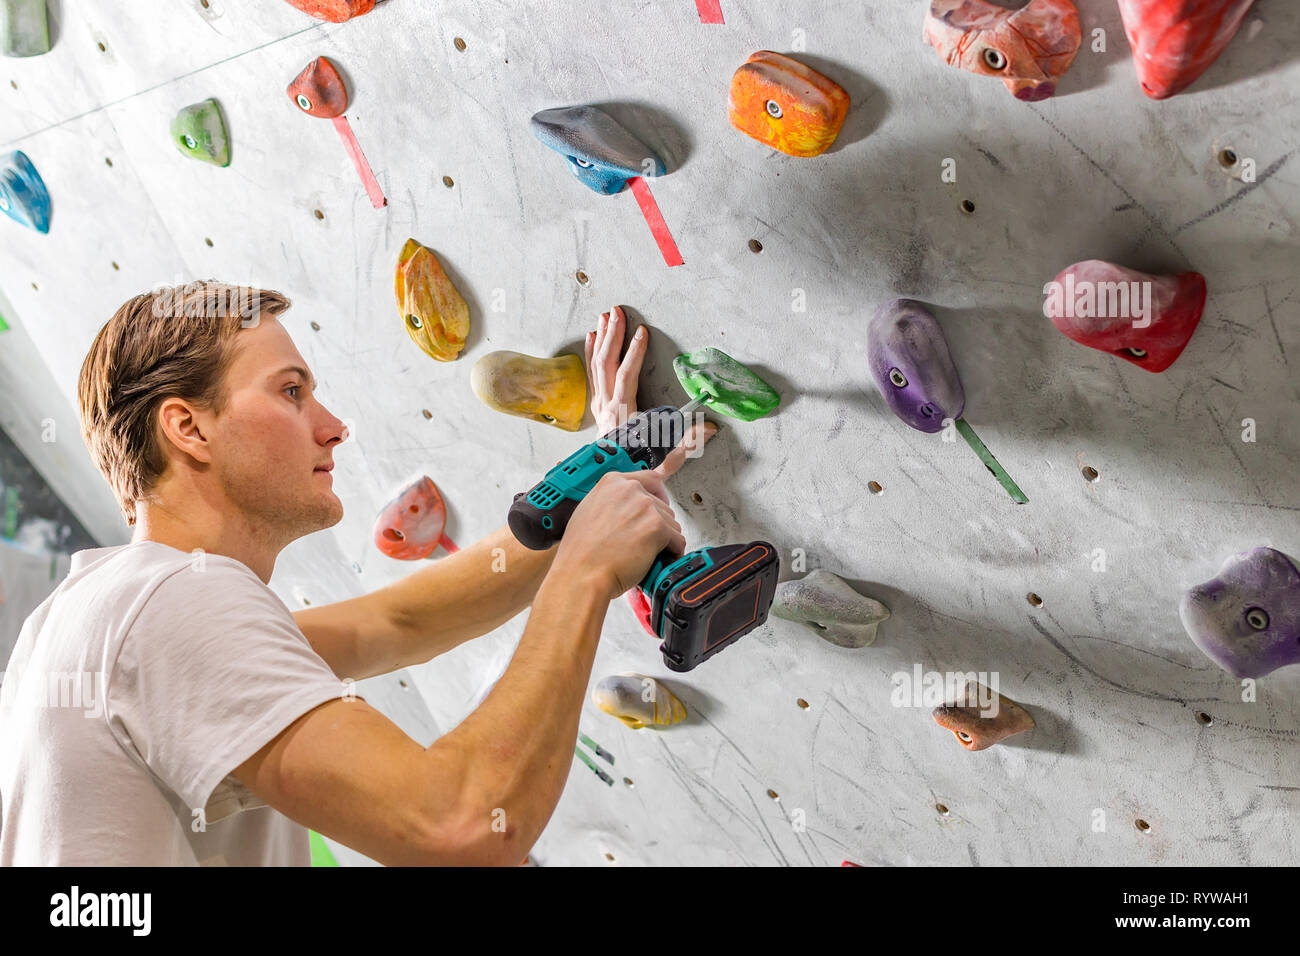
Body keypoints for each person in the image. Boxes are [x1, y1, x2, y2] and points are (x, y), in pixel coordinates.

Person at [0, 281, 715, 865]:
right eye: (290, 392)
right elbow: (460, 826)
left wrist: (599, 475)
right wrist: (586, 572)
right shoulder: (169, 603)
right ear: (190, 429)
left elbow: (399, 621)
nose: (334, 425)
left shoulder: (98, 615)